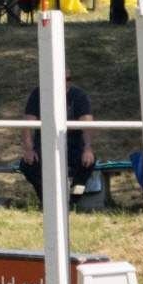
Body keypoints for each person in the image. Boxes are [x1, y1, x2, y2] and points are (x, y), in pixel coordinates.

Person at [19, 73, 95, 205]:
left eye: (68, 79)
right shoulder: (38, 94)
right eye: (62, 79)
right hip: (45, 145)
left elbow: (87, 125)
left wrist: (87, 149)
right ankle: (47, 201)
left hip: (74, 146)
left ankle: (73, 200)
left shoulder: (79, 95)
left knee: (87, 166)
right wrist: (29, 149)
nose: (66, 82)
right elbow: (27, 124)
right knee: (28, 166)